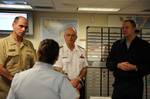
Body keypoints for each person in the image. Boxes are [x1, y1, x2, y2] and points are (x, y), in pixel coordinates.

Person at [7, 39, 79, 99]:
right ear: (56, 58)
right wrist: (75, 91)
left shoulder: (18, 78)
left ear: (37, 53)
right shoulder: (61, 80)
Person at [106, 19, 150, 99]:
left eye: (127, 27)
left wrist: (135, 67)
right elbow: (108, 63)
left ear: (134, 29)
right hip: (119, 86)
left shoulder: (144, 45)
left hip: (135, 86)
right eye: (123, 28)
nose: (124, 30)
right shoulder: (117, 45)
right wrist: (118, 65)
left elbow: (149, 66)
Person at [0, 16, 36, 98]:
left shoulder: (29, 44)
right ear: (13, 25)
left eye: (26, 27)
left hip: (24, 88)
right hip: (7, 89)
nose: (23, 29)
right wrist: (13, 79)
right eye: (21, 26)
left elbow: (35, 65)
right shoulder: (2, 43)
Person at [53, 26, 88, 99]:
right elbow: (57, 69)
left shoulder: (82, 51)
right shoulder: (59, 51)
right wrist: (70, 83)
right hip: (63, 86)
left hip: (79, 85)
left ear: (76, 37)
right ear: (64, 37)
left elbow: (84, 68)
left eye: (73, 35)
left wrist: (78, 80)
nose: (70, 37)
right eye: (68, 35)